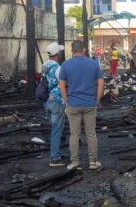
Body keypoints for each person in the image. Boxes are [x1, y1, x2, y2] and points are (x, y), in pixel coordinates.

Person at [59, 40, 105, 171]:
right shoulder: (93, 64)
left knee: (74, 134)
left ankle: (74, 162)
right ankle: (92, 162)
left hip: (73, 104)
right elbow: (101, 84)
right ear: (84, 50)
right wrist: (97, 100)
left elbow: (61, 85)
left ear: (72, 50)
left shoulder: (65, 65)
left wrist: (67, 100)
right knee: (91, 133)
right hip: (90, 103)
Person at [41, 43, 66, 167]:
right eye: (60, 52)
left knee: (54, 128)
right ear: (57, 54)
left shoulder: (45, 65)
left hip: (46, 100)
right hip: (56, 100)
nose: (61, 54)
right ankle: (55, 158)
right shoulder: (58, 68)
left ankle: (56, 153)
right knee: (56, 130)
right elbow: (62, 85)